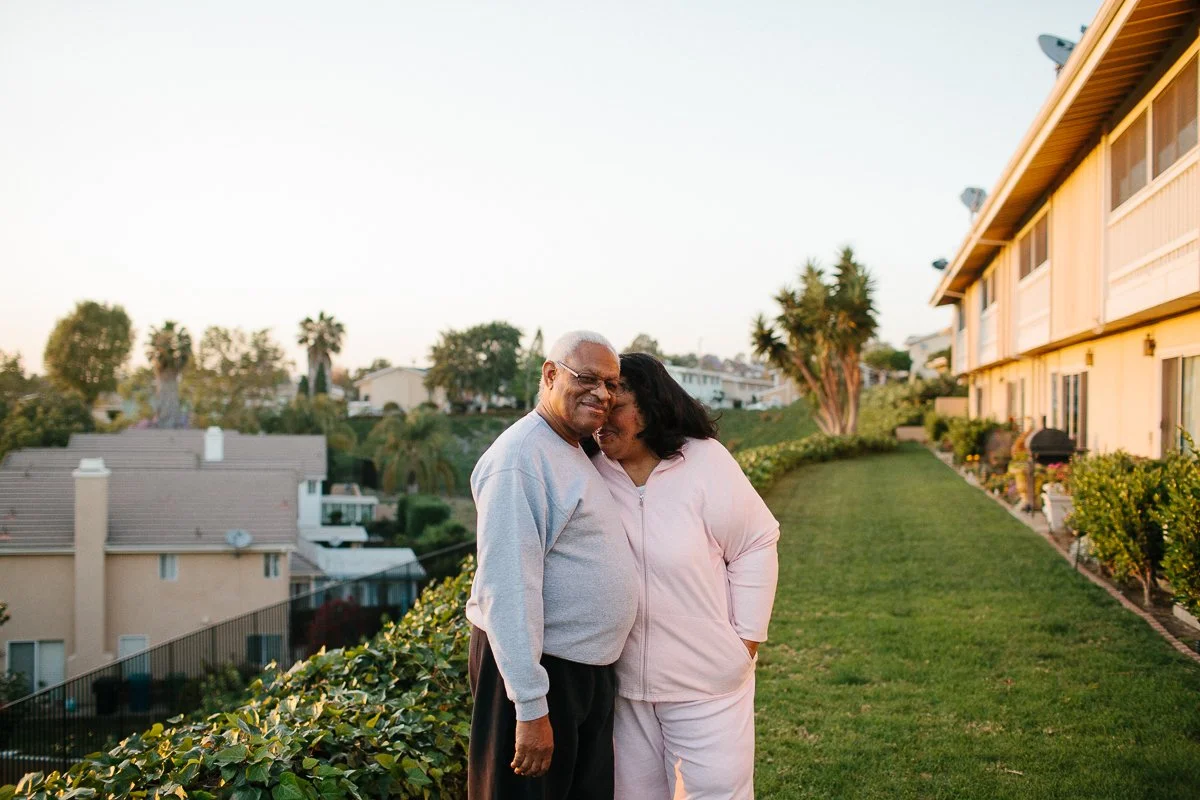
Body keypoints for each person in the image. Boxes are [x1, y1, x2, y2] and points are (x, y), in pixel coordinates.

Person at [591, 353, 780, 800]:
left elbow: (756, 541)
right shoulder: (590, 469)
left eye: (614, 406)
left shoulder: (704, 461)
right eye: (596, 406)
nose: (601, 419)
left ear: (650, 407)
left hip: (706, 682)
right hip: (622, 688)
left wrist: (744, 642)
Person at [466, 330, 639, 800]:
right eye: (587, 378)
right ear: (549, 375)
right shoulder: (520, 459)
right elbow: (507, 587)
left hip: (581, 673)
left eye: (611, 384)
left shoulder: (569, 447)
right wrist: (529, 704)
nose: (602, 393)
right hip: (543, 675)